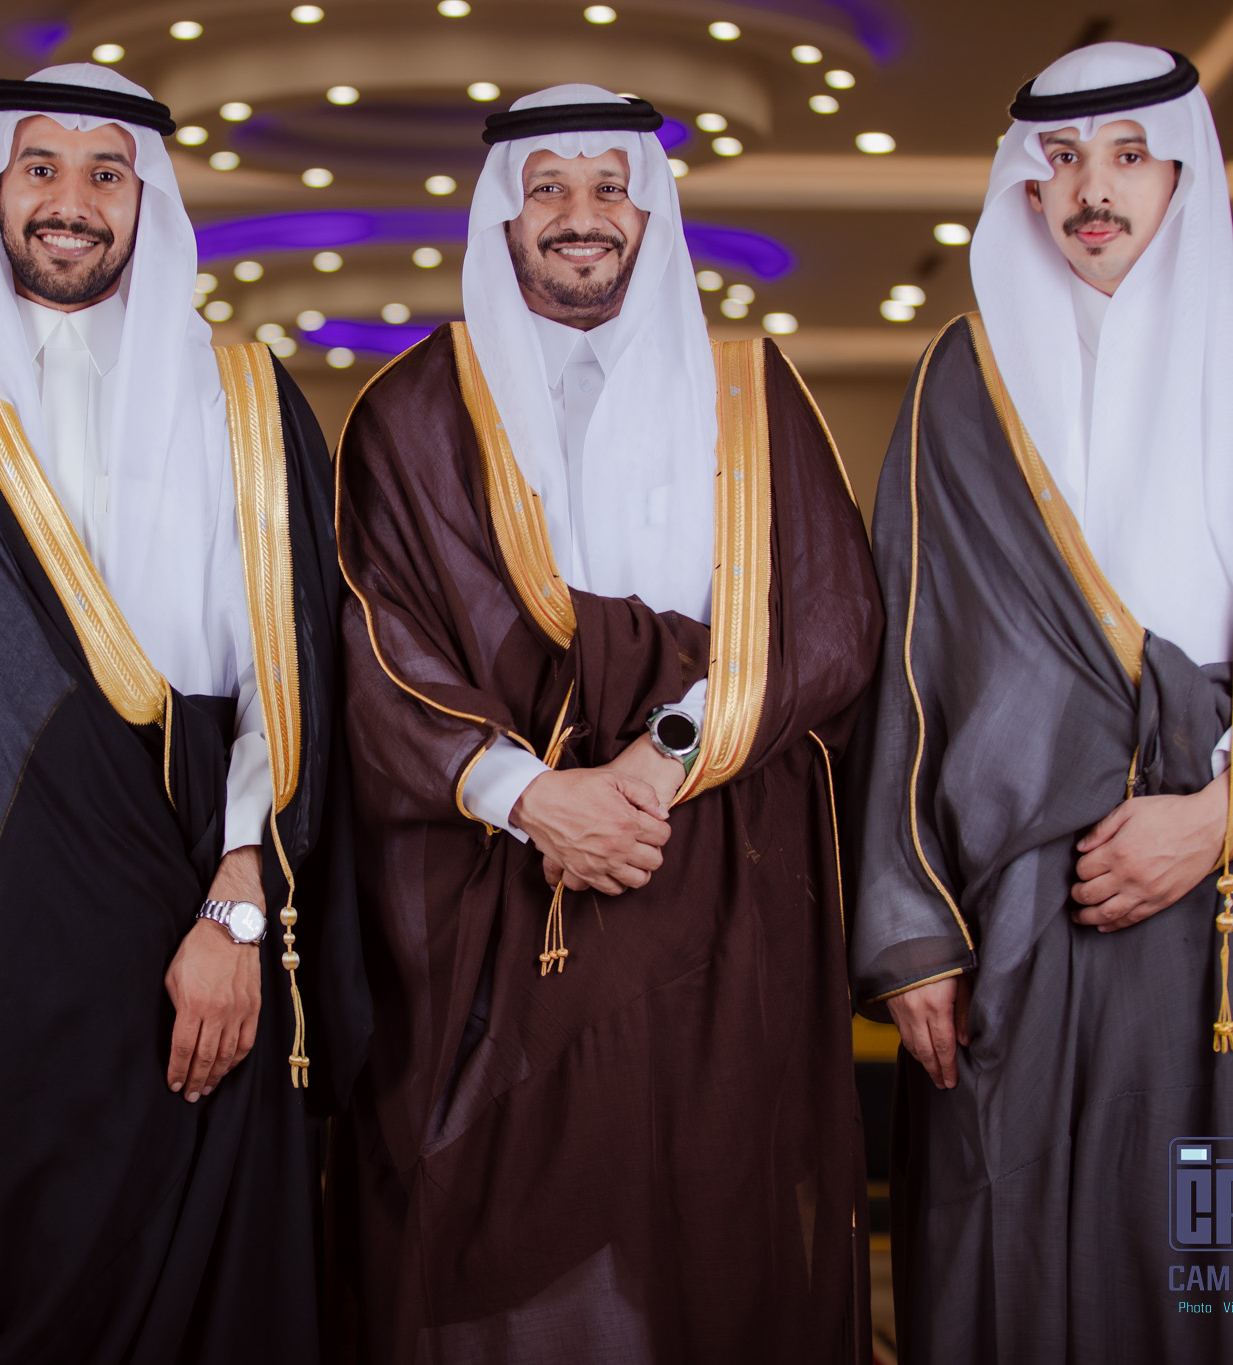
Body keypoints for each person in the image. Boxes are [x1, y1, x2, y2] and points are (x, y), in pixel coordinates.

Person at [0, 64, 366, 1363]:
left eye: (108, 174)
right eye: (40, 167)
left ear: (147, 202)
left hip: (192, 926)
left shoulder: (244, 399)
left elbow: (294, 686)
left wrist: (239, 906)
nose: (71, 201)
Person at [329, 84, 881, 1363]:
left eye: (607, 188)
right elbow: (371, 641)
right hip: (493, 904)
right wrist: (531, 797)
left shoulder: (751, 393)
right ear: (502, 215)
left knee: (708, 1230)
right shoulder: (410, 411)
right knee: (488, 1242)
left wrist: (652, 764)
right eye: (547, 189)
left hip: (712, 892)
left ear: (650, 210)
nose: (579, 216)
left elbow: (828, 621)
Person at [846, 41, 1233, 1363]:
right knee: (1031, 1274)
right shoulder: (962, 382)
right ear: (1023, 187)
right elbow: (904, 671)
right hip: (1025, 930)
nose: (1094, 189)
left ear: (1182, 171)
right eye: (1064, 159)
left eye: (1131, 156)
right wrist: (915, 936)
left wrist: (1220, 811)